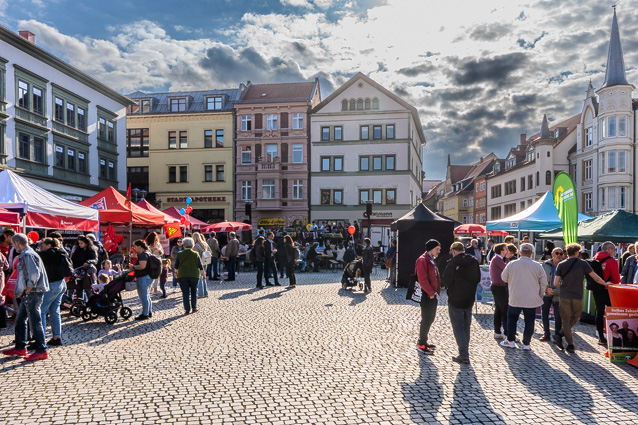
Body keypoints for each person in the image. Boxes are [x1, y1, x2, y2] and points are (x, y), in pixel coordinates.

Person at [2, 234, 50, 361]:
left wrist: (28, 288)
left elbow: (34, 274)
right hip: (30, 292)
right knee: (20, 319)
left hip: (33, 292)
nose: (13, 247)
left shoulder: (28, 254)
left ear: (17, 243)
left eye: (13, 244)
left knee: (34, 321)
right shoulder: (28, 253)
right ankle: (20, 347)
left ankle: (41, 350)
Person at [553, 243, 606, 353]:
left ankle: (561, 335)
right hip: (577, 295)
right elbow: (595, 278)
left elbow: (555, 283)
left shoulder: (561, 264)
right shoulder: (583, 263)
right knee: (575, 317)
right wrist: (605, 284)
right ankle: (570, 343)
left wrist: (563, 286)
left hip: (564, 295)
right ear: (577, 252)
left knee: (566, 319)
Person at [500, 243, 547, 350]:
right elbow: (544, 283)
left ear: (520, 252)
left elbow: (503, 277)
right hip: (531, 299)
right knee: (529, 321)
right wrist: (540, 294)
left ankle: (510, 341)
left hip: (515, 297)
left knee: (512, 319)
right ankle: (526, 343)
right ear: (532, 253)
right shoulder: (537, 266)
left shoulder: (512, 264)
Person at [442, 241, 481, 364]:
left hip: (455, 298)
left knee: (458, 327)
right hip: (469, 298)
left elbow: (446, 281)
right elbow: (478, 279)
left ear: (453, 251)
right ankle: (464, 352)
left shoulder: (453, 263)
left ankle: (464, 354)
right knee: (466, 326)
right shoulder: (474, 261)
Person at [37, 237, 69, 347]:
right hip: (61, 283)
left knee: (41, 311)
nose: (41, 247)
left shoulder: (48, 254)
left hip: (52, 285)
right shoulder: (61, 252)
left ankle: (40, 340)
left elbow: (34, 251)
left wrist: (36, 243)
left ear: (49, 245)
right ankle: (56, 337)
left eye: (42, 245)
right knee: (55, 311)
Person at [416, 239, 442, 355]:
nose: (438, 251)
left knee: (430, 318)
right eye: (437, 249)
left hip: (432, 294)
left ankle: (423, 340)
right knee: (426, 319)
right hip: (427, 295)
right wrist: (430, 292)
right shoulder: (422, 260)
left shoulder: (431, 259)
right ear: (431, 249)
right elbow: (422, 279)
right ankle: (422, 344)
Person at [592, 241, 621, 345]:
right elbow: (616, 279)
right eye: (614, 250)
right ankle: (612, 337)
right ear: (609, 249)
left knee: (599, 312)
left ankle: (601, 337)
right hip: (608, 289)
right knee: (612, 312)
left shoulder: (595, 259)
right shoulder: (612, 261)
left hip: (596, 288)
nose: (614, 252)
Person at [489, 243, 516, 340]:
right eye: (505, 249)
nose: (507, 251)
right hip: (499, 287)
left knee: (499, 309)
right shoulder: (497, 259)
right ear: (502, 251)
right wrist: (508, 258)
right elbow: (507, 268)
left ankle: (498, 331)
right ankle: (506, 332)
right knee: (505, 310)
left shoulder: (498, 259)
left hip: (498, 286)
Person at [175, 237, 205, 315]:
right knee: (194, 291)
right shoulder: (195, 254)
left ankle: (187, 309)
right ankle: (194, 307)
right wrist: (204, 275)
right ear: (192, 245)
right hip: (194, 275)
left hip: (182, 275)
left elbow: (176, 266)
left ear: (183, 245)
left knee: (185, 293)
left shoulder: (180, 253)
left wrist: (176, 273)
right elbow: (200, 266)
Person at [540, 247, 564, 342]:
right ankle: (546, 334)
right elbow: (540, 278)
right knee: (544, 314)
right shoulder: (545, 264)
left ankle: (557, 336)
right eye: (557, 253)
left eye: (561, 254)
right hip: (546, 293)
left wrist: (556, 291)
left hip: (558, 294)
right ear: (552, 254)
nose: (559, 255)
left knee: (558, 316)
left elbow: (566, 282)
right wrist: (546, 289)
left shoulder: (564, 265)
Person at [130, 240, 153, 320]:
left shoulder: (143, 255)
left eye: (135, 246)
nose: (134, 248)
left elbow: (142, 266)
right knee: (147, 296)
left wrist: (133, 267)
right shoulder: (147, 253)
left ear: (139, 247)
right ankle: (149, 312)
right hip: (148, 277)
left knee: (143, 297)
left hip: (143, 278)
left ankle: (145, 314)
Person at [70, 235, 98, 301]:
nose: (79, 244)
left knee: (88, 288)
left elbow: (95, 260)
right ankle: (80, 303)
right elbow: (72, 259)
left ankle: (92, 302)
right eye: (79, 243)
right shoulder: (78, 250)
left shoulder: (91, 250)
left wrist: (88, 262)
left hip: (88, 272)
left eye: (81, 243)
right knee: (79, 288)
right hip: (78, 271)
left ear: (86, 243)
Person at [192, 232, 211, 297]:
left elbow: (195, 255)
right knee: (204, 276)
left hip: (199, 262)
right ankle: (205, 292)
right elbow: (210, 251)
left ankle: (201, 293)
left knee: (199, 278)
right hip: (205, 261)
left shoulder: (196, 245)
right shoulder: (205, 243)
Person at [0, 250, 8, 329]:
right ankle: (3, 323)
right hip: (1, 277)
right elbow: (7, 266)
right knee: (1, 300)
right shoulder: (1, 255)